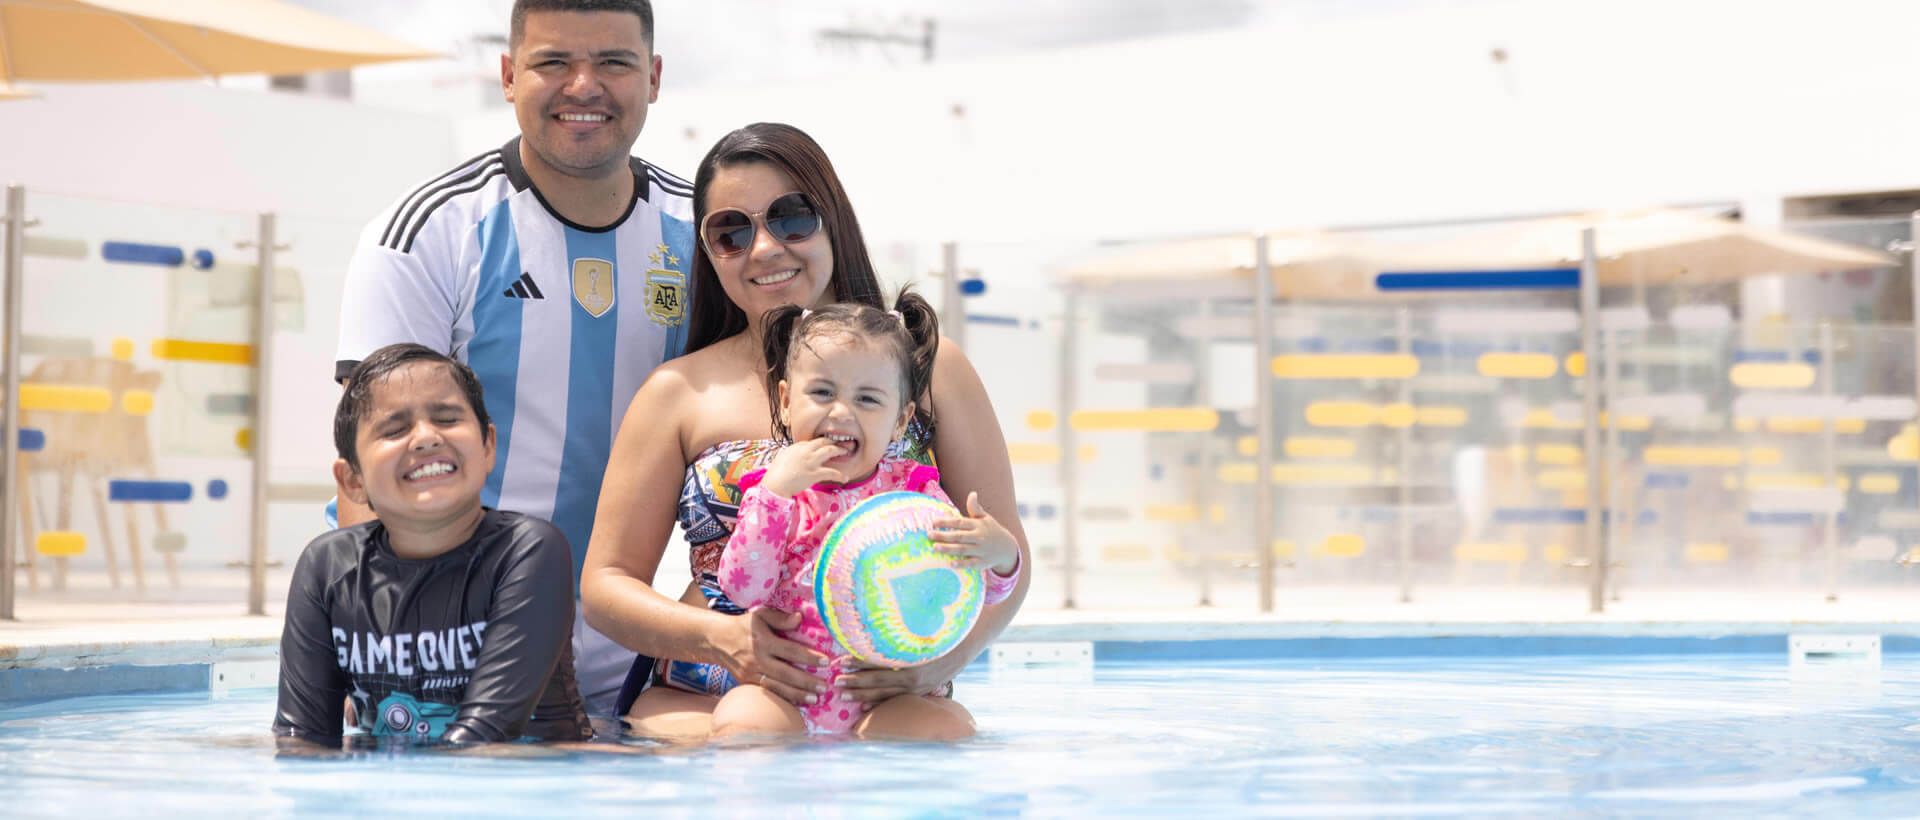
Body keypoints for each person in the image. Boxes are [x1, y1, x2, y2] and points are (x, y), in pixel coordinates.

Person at [580, 122, 1032, 740]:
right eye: (731, 232)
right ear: (710, 255)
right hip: (714, 696)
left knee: (939, 743)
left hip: (886, 698)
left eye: (791, 218)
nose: (763, 248)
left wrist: (937, 664)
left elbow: (1007, 553)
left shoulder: (930, 368)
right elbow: (606, 586)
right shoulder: (677, 393)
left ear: (834, 221)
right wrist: (723, 639)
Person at [332, 0, 690, 716]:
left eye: (613, 62)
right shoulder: (427, 233)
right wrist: (383, 660)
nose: (583, 85)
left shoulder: (705, 234)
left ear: (652, 77)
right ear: (507, 76)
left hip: (646, 661)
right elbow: (370, 468)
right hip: (458, 656)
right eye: (553, 62)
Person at [712, 296, 1022, 738]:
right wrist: (775, 493)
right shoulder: (777, 496)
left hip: (888, 698)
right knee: (740, 720)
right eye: (822, 392)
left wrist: (1000, 554)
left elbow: (973, 594)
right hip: (791, 696)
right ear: (784, 401)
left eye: (867, 399)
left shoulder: (914, 499)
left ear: (901, 420)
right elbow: (742, 589)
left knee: (947, 728)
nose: (841, 412)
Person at [274, 344, 589, 748]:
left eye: (446, 418)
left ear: (487, 445)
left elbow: (485, 736)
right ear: (353, 480)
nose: (426, 438)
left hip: (521, 784)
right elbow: (301, 737)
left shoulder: (527, 551)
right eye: (394, 429)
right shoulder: (328, 567)